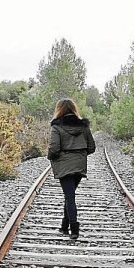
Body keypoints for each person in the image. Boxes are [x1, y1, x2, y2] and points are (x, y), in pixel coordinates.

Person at [47, 98, 96, 240]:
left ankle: (74, 229)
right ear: (74, 109)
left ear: (59, 110)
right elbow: (91, 147)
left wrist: (52, 157)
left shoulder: (56, 127)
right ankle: (64, 226)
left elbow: (54, 148)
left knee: (69, 196)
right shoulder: (84, 126)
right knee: (69, 195)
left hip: (64, 165)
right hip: (79, 165)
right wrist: (79, 155)